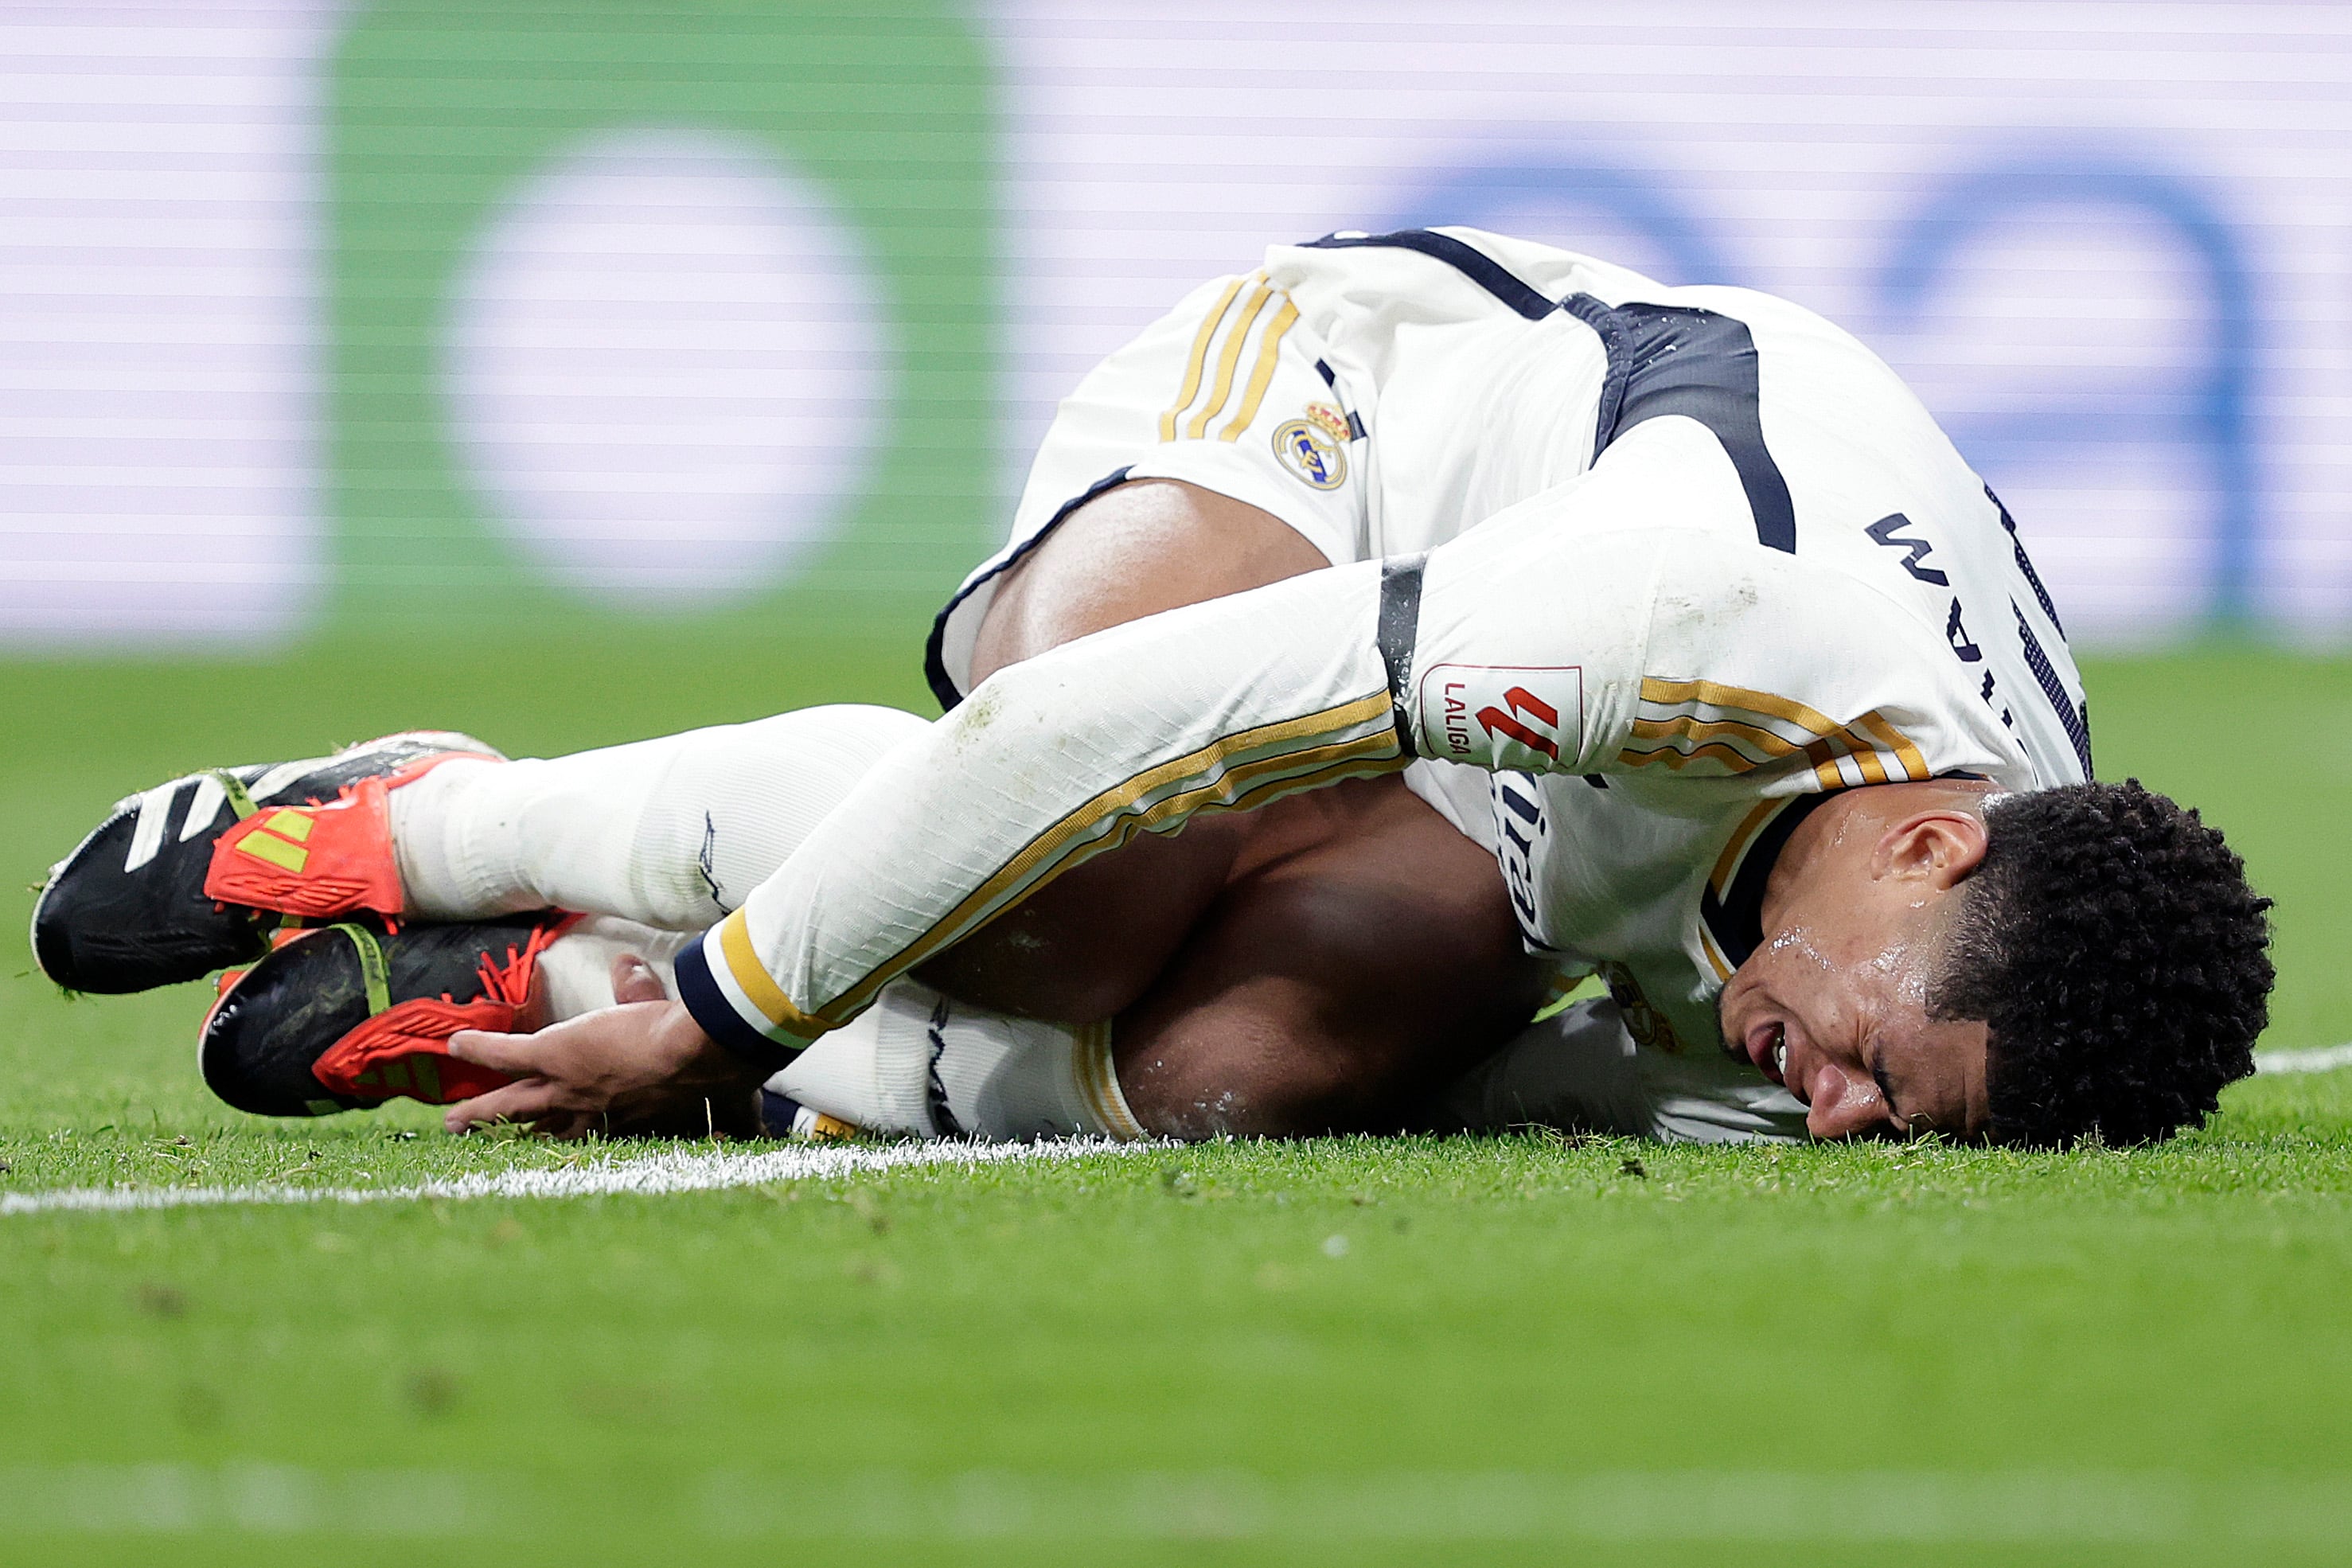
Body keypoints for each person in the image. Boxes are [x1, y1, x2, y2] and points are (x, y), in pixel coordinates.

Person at [33, 228, 2274, 1147]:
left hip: (1540, 758)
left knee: (1223, 1068)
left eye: (1900, 1125)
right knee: (1087, 891)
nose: (1836, 1112)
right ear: (1919, 832)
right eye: (1873, 1064)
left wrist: (1400, 1058)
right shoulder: (1680, 608)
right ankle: (424, 819)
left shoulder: (1990, 945)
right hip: (1355, 407)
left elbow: (1576, 1088)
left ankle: (574, 971)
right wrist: (735, 1001)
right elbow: (1077, 743)